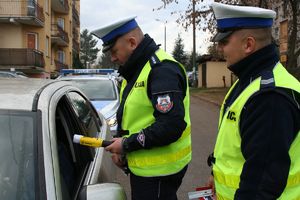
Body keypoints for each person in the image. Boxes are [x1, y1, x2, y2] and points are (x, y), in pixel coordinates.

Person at [91, 16, 192, 200]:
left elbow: (170, 126)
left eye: (114, 52)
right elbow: (135, 116)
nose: (113, 58)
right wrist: (121, 143)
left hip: (159, 172)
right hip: (148, 169)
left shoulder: (161, 70)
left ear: (132, 42)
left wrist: (127, 144)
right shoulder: (136, 70)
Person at [207, 2, 300, 200]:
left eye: (224, 42)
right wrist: (215, 174)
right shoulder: (250, 81)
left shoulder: (270, 97)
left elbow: (260, 187)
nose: (221, 49)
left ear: (248, 44)